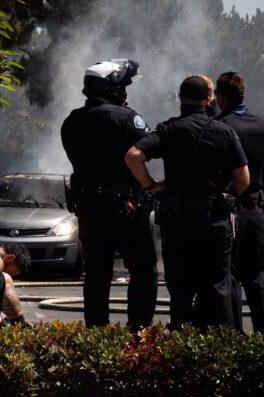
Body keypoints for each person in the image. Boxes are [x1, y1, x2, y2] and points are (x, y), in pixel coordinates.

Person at [125, 76, 250, 331]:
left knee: (181, 291)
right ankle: (220, 348)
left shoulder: (168, 130)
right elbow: (244, 180)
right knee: (218, 287)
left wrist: (151, 185)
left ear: (179, 97)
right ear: (209, 99)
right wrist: (224, 194)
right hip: (214, 221)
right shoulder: (224, 131)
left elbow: (133, 156)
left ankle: (182, 351)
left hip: (178, 222)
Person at [61, 58, 158, 332]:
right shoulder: (128, 119)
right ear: (111, 87)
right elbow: (147, 150)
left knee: (95, 273)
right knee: (143, 268)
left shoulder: (72, 121)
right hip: (125, 209)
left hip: (89, 210)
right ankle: (139, 331)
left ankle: (97, 335)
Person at [215, 71, 264, 333]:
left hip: (225, 213)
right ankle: (263, 333)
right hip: (255, 210)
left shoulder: (218, 127)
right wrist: (262, 189)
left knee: (229, 275)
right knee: (258, 274)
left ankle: (235, 335)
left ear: (221, 97)